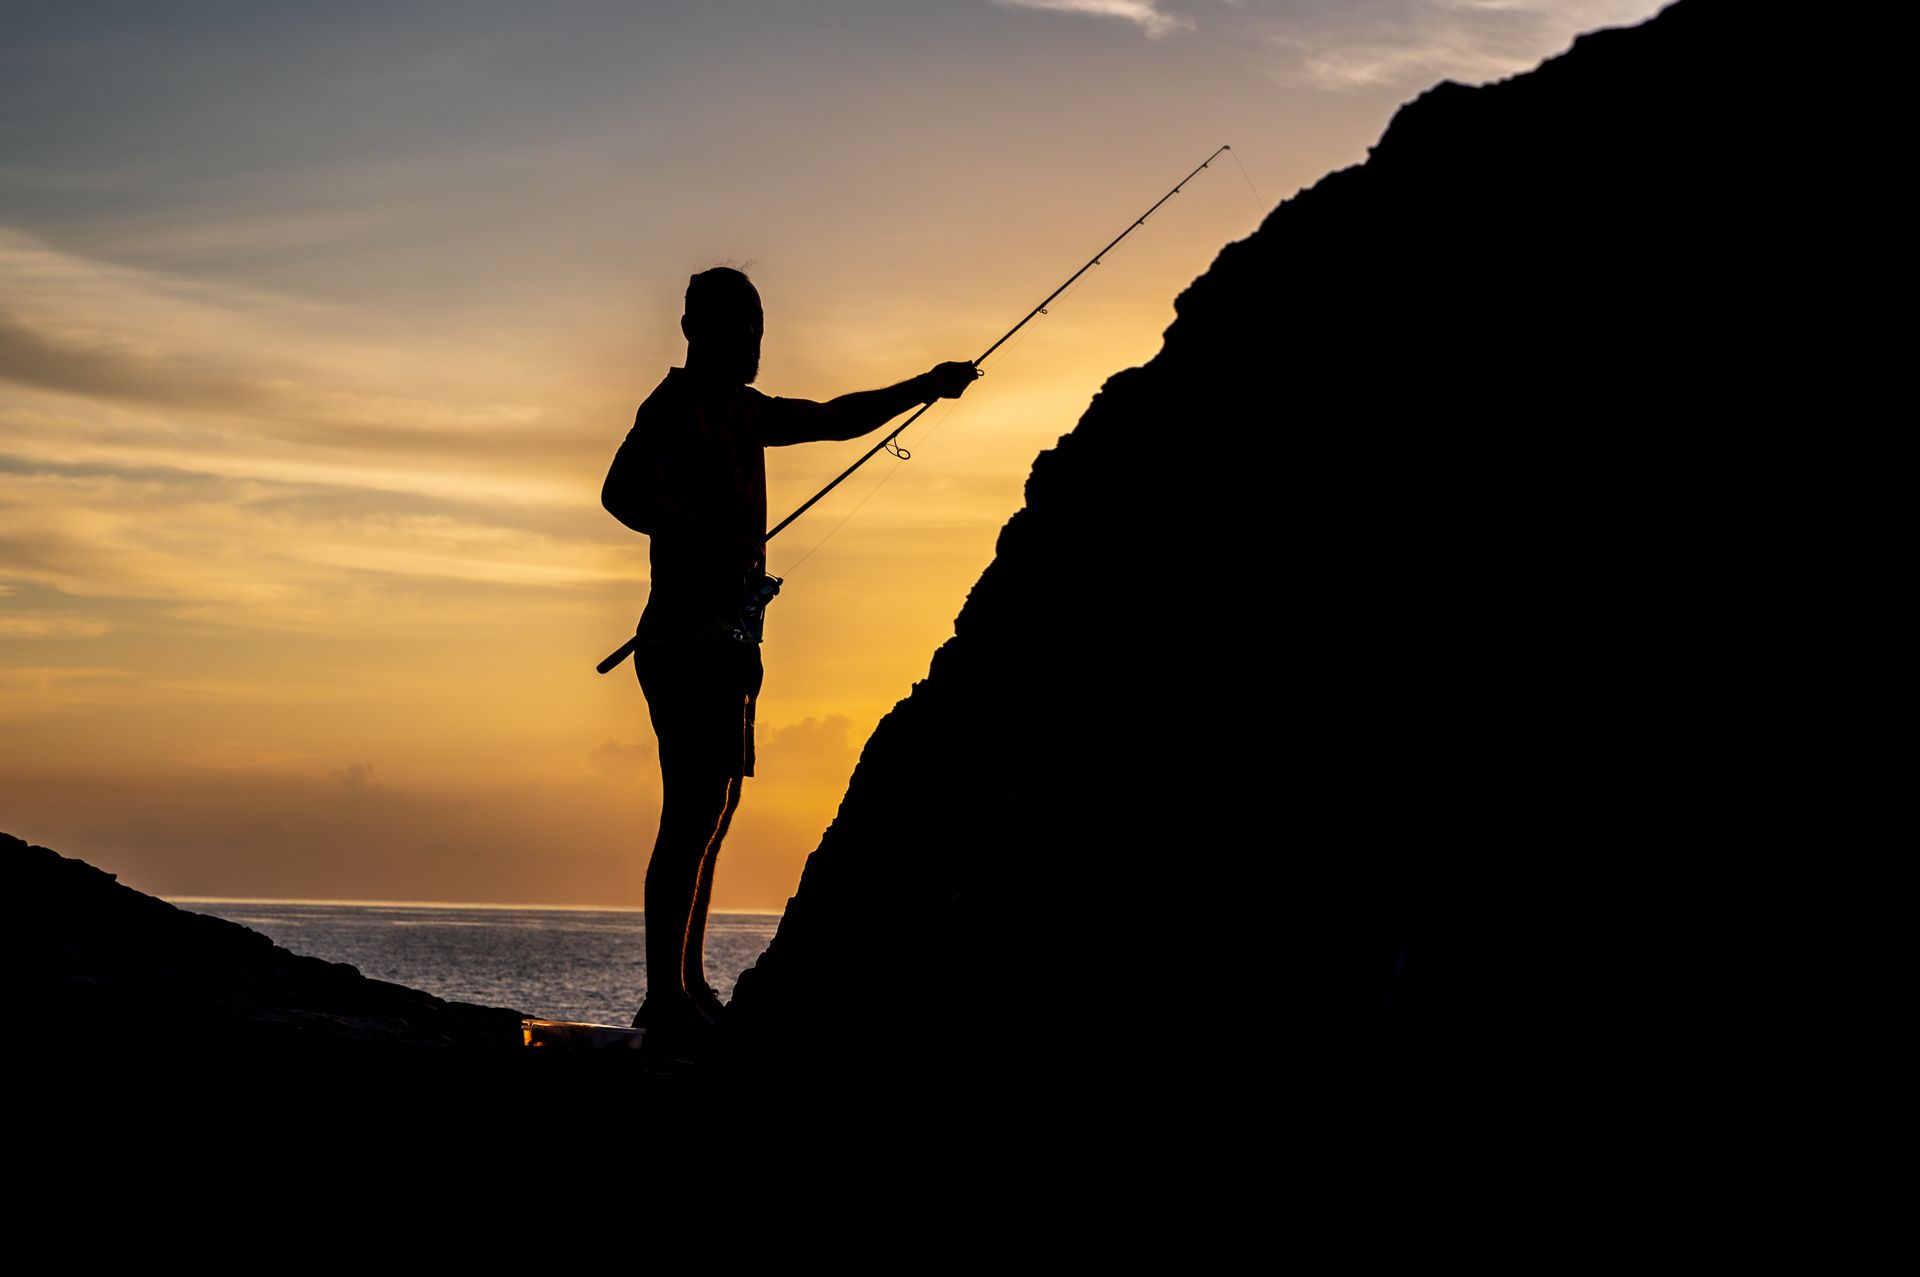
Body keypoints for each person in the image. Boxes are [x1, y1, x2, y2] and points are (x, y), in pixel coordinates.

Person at [601, 265, 975, 1056]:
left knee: (716, 814)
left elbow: (838, 419)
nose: (756, 342)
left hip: (734, 642)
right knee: (690, 814)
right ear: (700, 331)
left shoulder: (746, 413)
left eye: (760, 328)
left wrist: (925, 387)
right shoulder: (671, 406)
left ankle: (687, 984)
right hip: (681, 637)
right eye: (744, 328)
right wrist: (698, 532)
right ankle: (663, 996)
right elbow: (619, 492)